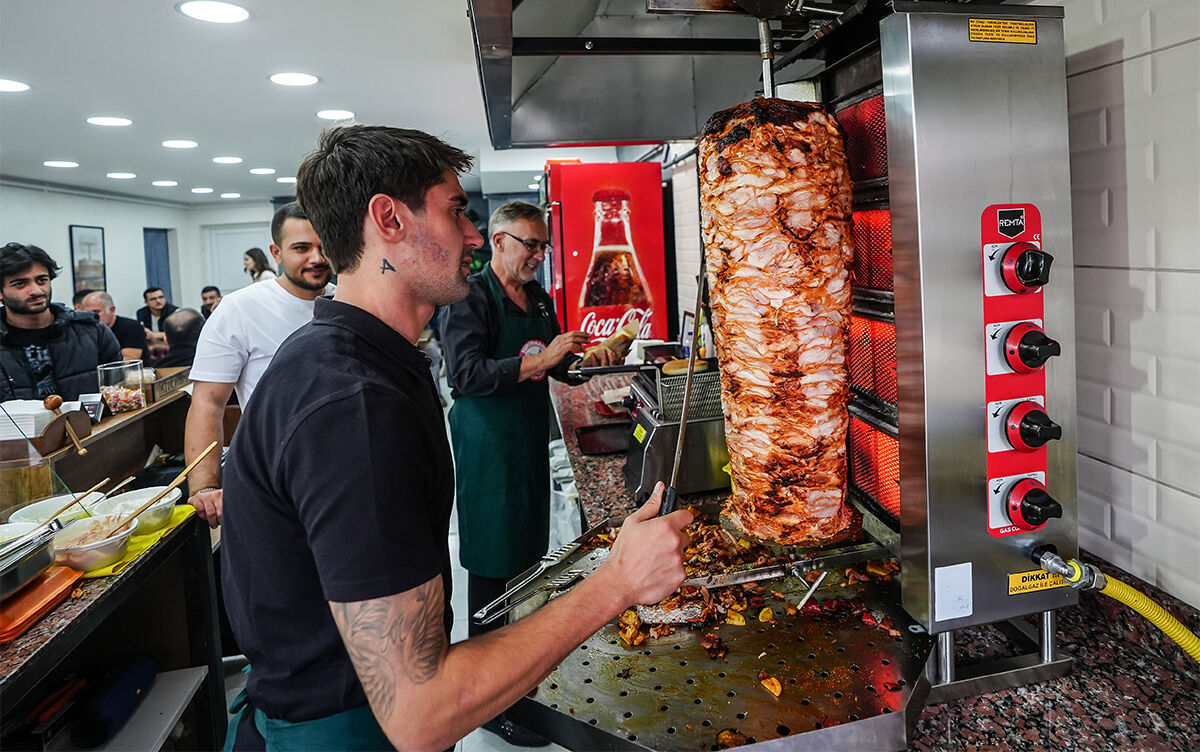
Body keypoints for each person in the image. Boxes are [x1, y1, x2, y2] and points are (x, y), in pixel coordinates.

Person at [219, 124, 692, 751]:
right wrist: (618, 582)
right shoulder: (352, 405)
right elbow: (421, 712)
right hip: (340, 731)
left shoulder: (361, 359)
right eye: (457, 210)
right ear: (388, 219)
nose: (474, 237)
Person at [440, 200, 618, 742]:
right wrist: (542, 362)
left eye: (543, 245)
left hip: (526, 443)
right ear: (498, 241)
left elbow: (557, 364)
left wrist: (592, 357)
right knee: (492, 565)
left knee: (524, 561)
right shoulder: (469, 296)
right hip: (488, 447)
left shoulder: (538, 296)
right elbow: (465, 374)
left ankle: (515, 676)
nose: (539, 255)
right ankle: (485, 698)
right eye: (530, 244)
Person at [184, 202, 332, 527]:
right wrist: (205, 485)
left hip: (341, 471)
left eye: (324, 246)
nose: (317, 258)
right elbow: (208, 402)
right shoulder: (239, 309)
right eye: (302, 248)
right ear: (276, 253)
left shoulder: (348, 301)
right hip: (271, 477)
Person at [0, 243, 121, 401]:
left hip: (93, 425)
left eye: (42, 280)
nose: (36, 291)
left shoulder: (92, 331)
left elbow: (120, 391)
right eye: (20, 284)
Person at [81, 290, 147, 363]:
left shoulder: (132, 327)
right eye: (87, 313)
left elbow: (128, 361)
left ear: (112, 310)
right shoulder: (86, 331)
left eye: (96, 312)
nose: (91, 316)